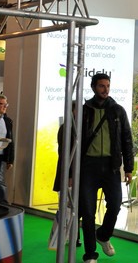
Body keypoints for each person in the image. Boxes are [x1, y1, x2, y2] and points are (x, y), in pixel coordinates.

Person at [79, 73, 133, 263]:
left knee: (116, 204)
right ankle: (90, 254)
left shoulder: (117, 111)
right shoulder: (84, 111)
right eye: (102, 86)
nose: (105, 89)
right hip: (88, 167)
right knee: (88, 212)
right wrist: (70, 173)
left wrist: (129, 168)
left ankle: (103, 235)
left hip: (111, 166)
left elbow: (127, 140)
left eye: (108, 86)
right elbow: (74, 141)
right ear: (93, 87)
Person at [53, 101, 81, 247]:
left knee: (75, 207)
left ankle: (73, 236)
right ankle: (66, 236)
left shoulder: (78, 127)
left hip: (76, 173)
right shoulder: (66, 128)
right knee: (67, 206)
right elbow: (65, 153)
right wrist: (69, 175)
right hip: (68, 173)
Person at [0, 94, 14, 205]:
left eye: (6, 104)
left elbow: (10, 140)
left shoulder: (7, 120)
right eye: (2, 104)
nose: (5, 106)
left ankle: (3, 205)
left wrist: (10, 159)